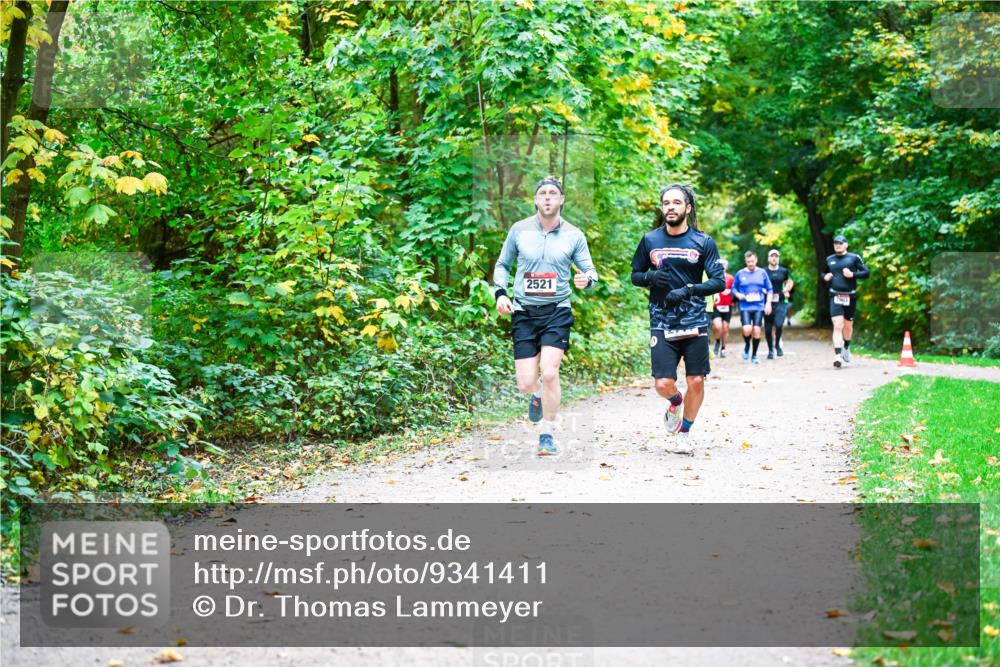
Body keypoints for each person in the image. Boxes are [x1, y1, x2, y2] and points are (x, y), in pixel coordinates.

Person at [493, 176, 599, 456]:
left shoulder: (574, 235)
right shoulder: (519, 230)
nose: (548, 197)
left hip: (557, 311)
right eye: (543, 193)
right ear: (536, 200)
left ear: (561, 199)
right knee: (526, 382)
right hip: (524, 312)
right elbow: (503, 264)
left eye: (553, 193)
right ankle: (537, 394)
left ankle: (547, 433)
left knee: (550, 373)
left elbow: (591, 271)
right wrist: (500, 294)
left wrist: (586, 280)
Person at [631, 184, 724, 455]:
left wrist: (690, 289)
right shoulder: (650, 240)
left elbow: (718, 281)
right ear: (662, 208)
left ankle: (684, 433)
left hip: (694, 317)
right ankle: (675, 401)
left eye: (676, 202)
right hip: (661, 318)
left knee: (696, 380)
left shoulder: (703, 242)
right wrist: (649, 277)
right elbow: (635, 274)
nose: (671, 207)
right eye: (666, 203)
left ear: (687, 208)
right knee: (662, 383)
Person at [822, 234, 869, 368]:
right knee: (838, 325)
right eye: (836, 243)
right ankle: (837, 356)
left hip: (850, 296)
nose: (838, 245)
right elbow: (822, 273)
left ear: (846, 245)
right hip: (835, 295)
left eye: (841, 243)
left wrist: (853, 274)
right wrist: (825, 276)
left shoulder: (854, 258)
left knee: (848, 325)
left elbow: (866, 273)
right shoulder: (829, 259)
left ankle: (847, 348)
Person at [731, 250, 773, 364]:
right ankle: (747, 344)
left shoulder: (762, 273)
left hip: (759, 306)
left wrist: (768, 303)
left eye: (752, 261)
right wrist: (737, 294)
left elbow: (770, 289)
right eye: (748, 261)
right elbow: (733, 288)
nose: (751, 263)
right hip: (745, 306)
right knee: (746, 330)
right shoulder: (740, 273)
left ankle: (754, 355)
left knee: (757, 330)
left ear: (756, 260)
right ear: (745, 261)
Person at [763, 249, 794, 359]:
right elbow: (759, 283)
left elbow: (789, 281)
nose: (774, 258)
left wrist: (786, 290)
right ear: (768, 258)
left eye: (776, 256)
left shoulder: (783, 271)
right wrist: (762, 290)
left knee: (779, 324)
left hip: (780, 301)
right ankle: (770, 349)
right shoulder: (763, 271)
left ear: (778, 258)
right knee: (767, 328)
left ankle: (777, 345)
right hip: (767, 302)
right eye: (772, 256)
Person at [712, 258, 734, 358]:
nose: (722, 267)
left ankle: (723, 347)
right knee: (718, 326)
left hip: (727, 305)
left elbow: (735, 290)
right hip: (716, 305)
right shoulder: (713, 277)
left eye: (724, 265)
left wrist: (730, 292)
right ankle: (717, 342)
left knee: (725, 328)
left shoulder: (730, 278)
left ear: (727, 267)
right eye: (720, 265)